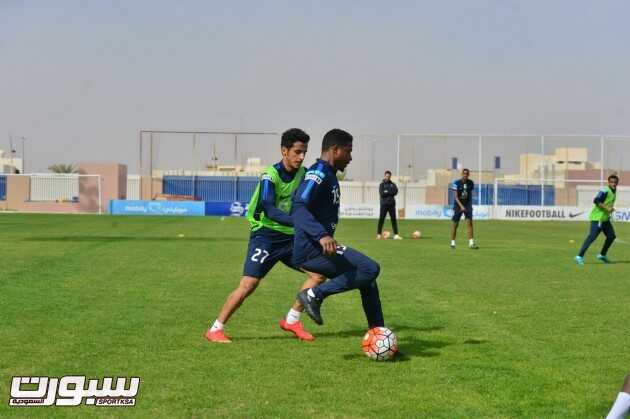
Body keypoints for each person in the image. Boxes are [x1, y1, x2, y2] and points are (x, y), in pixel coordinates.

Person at [206, 128, 325, 343]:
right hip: (265, 236)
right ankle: (215, 328)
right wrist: (300, 223)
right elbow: (269, 209)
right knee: (249, 285)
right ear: (284, 150)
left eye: (304, 152)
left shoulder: (304, 174)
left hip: (290, 237)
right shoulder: (269, 176)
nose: (301, 157)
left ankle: (292, 319)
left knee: (318, 274)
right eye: (297, 152)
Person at [292, 129, 386, 331]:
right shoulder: (318, 173)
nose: (350, 158)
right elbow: (298, 206)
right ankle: (313, 294)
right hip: (311, 249)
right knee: (370, 268)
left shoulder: (330, 175)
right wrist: (322, 235)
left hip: (319, 248)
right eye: (349, 151)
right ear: (335, 150)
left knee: (367, 279)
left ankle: (378, 333)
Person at [575, 174, 618, 266]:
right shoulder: (605, 190)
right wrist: (607, 208)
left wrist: (609, 210)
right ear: (608, 182)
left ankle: (602, 255)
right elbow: (596, 200)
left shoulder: (614, 191)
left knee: (611, 236)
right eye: (611, 182)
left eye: (615, 182)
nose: (613, 184)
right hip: (598, 218)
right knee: (592, 237)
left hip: (605, 219)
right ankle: (579, 257)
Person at [450, 168, 478, 249]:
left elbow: (470, 195)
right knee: (455, 224)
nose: (465, 175)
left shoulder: (471, 183)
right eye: (464, 173)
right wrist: (461, 206)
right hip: (458, 205)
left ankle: (471, 243)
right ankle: (452, 243)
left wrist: (469, 206)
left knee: (469, 223)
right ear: (461, 174)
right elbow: (455, 196)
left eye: (467, 173)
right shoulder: (456, 183)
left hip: (467, 205)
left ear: (468, 174)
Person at [377, 170, 402, 240]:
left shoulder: (393, 184)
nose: (387, 177)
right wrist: (390, 192)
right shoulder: (381, 185)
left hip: (391, 205)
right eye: (386, 176)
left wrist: (387, 191)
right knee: (381, 219)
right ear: (384, 176)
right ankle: (378, 234)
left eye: (388, 176)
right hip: (384, 205)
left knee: (393, 220)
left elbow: (395, 191)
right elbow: (382, 194)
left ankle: (396, 235)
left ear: (390, 177)